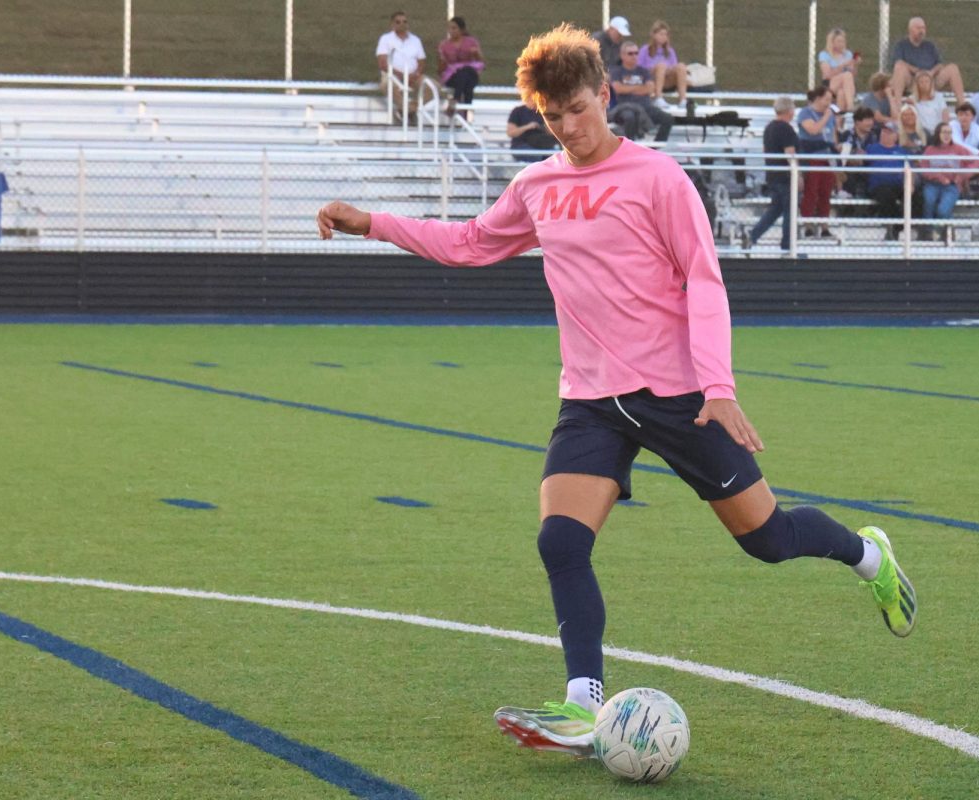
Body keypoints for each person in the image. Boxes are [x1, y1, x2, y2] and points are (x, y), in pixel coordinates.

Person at [316, 22, 916, 758]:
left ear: (605, 95)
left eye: (578, 109)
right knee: (561, 541)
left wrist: (719, 386)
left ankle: (869, 557)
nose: (568, 128)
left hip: (679, 396)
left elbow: (704, 278)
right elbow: (470, 243)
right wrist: (370, 222)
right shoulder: (537, 185)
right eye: (552, 116)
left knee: (768, 539)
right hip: (592, 401)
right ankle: (582, 706)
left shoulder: (658, 178)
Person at [746, 96, 799, 251]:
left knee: (775, 209)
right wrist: (798, 174)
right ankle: (787, 245)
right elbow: (790, 153)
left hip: (773, 175)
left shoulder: (769, 127)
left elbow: (765, 150)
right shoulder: (785, 128)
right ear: (789, 110)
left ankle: (753, 235)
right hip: (785, 176)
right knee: (790, 210)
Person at [888, 16, 965, 103]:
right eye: (918, 28)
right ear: (910, 29)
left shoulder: (929, 46)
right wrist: (916, 71)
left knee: (953, 68)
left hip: (931, 79)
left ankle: (963, 105)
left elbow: (939, 64)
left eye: (923, 28)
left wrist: (930, 73)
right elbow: (898, 62)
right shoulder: (901, 45)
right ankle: (897, 107)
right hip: (912, 81)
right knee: (899, 68)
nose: (921, 31)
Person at [796, 86, 839, 239]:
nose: (829, 103)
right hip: (811, 157)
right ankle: (808, 225)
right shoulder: (805, 113)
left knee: (825, 193)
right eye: (826, 99)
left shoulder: (831, 117)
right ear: (818, 98)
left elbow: (832, 138)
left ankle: (824, 226)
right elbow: (813, 130)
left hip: (827, 158)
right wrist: (826, 117)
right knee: (811, 192)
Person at [608, 41, 673, 142]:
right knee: (629, 117)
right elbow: (618, 89)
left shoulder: (644, 71)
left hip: (646, 106)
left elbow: (651, 88)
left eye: (636, 53)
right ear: (622, 55)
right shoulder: (617, 71)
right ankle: (629, 147)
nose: (634, 56)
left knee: (667, 119)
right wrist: (641, 88)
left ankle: (656, 147)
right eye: (630, 53)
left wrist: (628, 88)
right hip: (625, 106)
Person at [919, 122, 973, 241]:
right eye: (944, 132)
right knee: (929, 201)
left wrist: (962, 175)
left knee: (943, 210)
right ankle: (929, 233)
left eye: (949, 132)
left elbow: (975, 161)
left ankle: (938, 231)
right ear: (938, 134)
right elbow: (923, 169)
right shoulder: (930, 150)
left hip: (952, 185)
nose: (947, 135)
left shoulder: (958, 149)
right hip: (933, 184)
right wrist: (939, 177)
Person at [376, 10, 427, 123]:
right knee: (386, 85)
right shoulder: (385, 39)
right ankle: (408, 111)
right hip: (393, 75)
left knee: (433, 87)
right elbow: (382, 63)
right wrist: (401, 75)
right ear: (392, 24)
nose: (402, 24)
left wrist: (416, 74)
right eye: (398, 22)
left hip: (414, 76)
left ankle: (407, 109)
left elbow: (422, 61)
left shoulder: (416, 40)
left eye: (404, 21)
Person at [865, 122, 912, 240]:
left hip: (899, 184)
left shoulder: (902, 151)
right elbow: (861, 162)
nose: (885, 134)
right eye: (884, 131)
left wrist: (910, 184)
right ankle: (895, 227)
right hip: (880, 185)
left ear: (896, 136)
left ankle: (901, 227)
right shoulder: (871, 148)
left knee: (918, 197)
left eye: (889, 132)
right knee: (886, 194)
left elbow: (909, 169)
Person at [438, 16, 484, 118]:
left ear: (461, 30)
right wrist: (442, 61)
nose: (451, 31)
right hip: (453, 77)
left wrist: (475, 53)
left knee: (466, 72)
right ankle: (465, 115)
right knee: (465, 77)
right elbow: (440, 70)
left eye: (454, 28)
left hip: (470, 74)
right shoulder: (444, 45)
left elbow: (481, 62)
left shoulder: (471, 42)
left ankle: (455, 101)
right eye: (449, 28)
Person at [638, 20, 688, 113]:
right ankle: (658, 97)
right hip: (652, 79)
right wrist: (657, 69)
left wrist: (668, 70)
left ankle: (683, 100)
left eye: (665, 34)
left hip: (667, 80)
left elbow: (674, 67)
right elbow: (639, 68)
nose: (663, 37)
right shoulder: (645, 50)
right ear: (654, 35)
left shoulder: (670, 51)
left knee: (681, 66)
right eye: (661, 34)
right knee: (661, 66)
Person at [949, 102, 979, 197]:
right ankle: (964, 194)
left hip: (971, 162)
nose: (964, 117)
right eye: (961, 114)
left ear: (973, 117)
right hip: (954, 161)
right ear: (957, 116)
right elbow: (958, 144)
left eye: (967, 114)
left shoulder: (978, 129)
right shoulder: (952, 125)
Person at [818, 27, 860, 112]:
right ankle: (851, 105)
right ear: (832, 42)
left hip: (844, 86)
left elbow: (853, 75)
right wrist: (843, 65)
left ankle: (839, 121)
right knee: (846, 75)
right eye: (839, 41)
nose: (842, 44)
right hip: (830, 84)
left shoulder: (847, 54)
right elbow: (827, 75)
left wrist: (855, 65)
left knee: (841, 93)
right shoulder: (824, 54)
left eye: (843, 41)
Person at [839, 105, 878, 198]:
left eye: (872, 120)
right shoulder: (847, 135)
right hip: (851, 170)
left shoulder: (875, 135)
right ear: (857, 122)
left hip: (869, 170)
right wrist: (854, 156)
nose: (871, 123)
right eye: (867, 120)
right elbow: (842, 155)